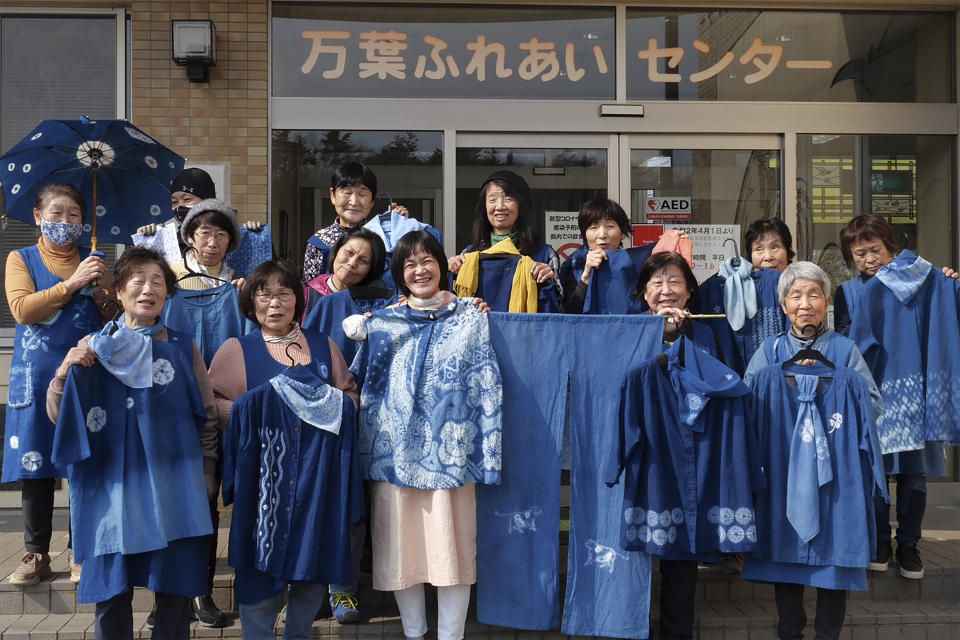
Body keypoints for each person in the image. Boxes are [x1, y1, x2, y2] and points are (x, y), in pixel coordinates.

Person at [46, 247, 219, 640]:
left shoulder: (182, 345)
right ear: (119, 292)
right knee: (111, 595)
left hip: (172, 485)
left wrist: (209, 470)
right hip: (112, 489)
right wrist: (63, 372)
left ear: (167, 294)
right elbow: (59, 414)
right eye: (137, 281)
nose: (148, 289)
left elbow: (206, 414)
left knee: (174, 593)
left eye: (158, 282)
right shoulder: (92, 347)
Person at [347, 230, 494, 640]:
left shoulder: (471, 315)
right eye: (409, 264)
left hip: (453, 455)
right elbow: (358, 382)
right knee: (399, 550)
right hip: (392, 454)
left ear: (443, 266)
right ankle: (414, 633)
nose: (419, 270)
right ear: (399, 273)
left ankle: (451, 636)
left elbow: (488, 379)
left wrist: (489, 448)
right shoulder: (385, 322)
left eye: (427, 260)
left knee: (453, 550)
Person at [208, 260, 361, 636]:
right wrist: (254, 407)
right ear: (251, 303)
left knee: (312, 562)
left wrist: (327, 404)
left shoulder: (324, 346)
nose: (275, 304)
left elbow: (351, 398)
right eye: (265, 295)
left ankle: (300, 632)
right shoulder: (236, 350)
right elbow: (212, 405)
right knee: (259, 568)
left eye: (284, 294)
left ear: (299, 300)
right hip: (264, 484)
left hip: (316, 479)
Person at [742, 261, 883, 640]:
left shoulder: (844, 350)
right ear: (784, 304)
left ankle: (828, 635)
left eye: (815, 294)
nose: (806, 303)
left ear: (827, 303)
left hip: (835, 474)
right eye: (796, 295)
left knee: (833, 556)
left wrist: (828, 384)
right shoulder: (768, 351)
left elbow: (872, 405)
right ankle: (790, 631)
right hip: (781, 470)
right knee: (783, 551)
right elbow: (746, 403)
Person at [834, 214, 954, 580]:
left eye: (875, 250)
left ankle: (909, 545)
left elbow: (947, 316)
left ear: (890, 247)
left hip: (912, 395)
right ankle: (880, 542)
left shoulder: (923, 283)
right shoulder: (849, 293)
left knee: (913, 477)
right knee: (875, 474)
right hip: (870, 396)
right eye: (859, 254)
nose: (869, 260)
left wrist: (951, 284)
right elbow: (843, 345)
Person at [3, 183, 111, 586]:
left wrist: (102, 291)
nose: (65, 222)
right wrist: (71, 283)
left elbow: (115, 318)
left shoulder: (95, 260)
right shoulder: (22, 258)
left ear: (84, 222)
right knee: (37, 467)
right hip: (35, 376)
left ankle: (80, 550)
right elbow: (22, 308)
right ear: (38, 216)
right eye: (57, 213)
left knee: (83, 463)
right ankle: (35, 554)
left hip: (84, 376)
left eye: (73, 216)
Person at [632, 250, 719, 639]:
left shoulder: (706, 332)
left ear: (689, 292)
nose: (666, 291)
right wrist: (661, 336)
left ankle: (675, 632)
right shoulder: (628, 329)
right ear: (643, 293)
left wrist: (678, 337)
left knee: (681, 552)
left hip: (688, 455)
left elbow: (715, 384)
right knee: (635, 548)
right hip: (644, 454)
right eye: (656, 283)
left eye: (675, 282)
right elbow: (625, 380)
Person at [447, 170, 560, 311]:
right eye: (492, 200)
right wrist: (450, 271)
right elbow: (448, 308)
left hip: (525, 332)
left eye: (508, 198)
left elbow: (560, 311)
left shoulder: (545, 255)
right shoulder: (468, 256)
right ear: (485, 207)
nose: (500, 206)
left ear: (522, 206)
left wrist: (550, 281)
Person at [302, 161, 407, 285]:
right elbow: (310, 291)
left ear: (372, 200)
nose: (354, 201)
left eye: (362, 194)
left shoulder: (384, 235)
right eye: (347, 192)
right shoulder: (319, 242)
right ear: (333, 196)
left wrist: (400, 226)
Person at [559, 197, 634, 313]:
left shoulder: (635, 264)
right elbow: (569, 314)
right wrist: (585, 278)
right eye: (594, 227)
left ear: (623, 233)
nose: (602, 235)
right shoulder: (575, 265)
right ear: (585, 234)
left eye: (610, 226)